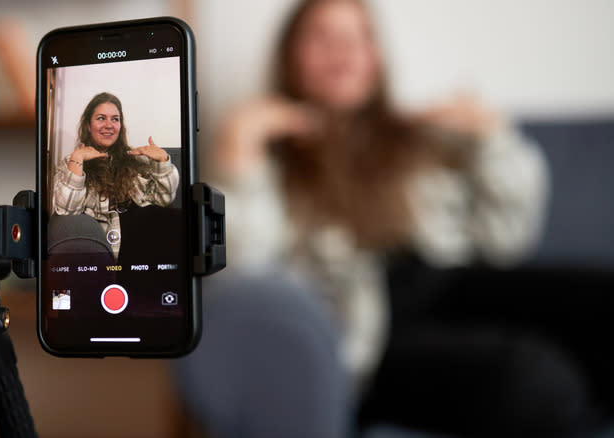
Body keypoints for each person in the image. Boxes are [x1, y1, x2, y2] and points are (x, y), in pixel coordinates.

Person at [176, 0, 606, 437]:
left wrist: (493, 141)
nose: (341, 49)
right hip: (371, 329)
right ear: (290, 56)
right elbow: (243, 272)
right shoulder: (271, 159)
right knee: (531, 379)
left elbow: (504, 245)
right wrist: (240, 154)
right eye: (322, 36)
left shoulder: (421, 142)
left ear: (375, 57)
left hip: (449, 282)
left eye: (357, 36)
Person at [53, 92, 179, 258]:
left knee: (179, 220)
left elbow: (164, 199)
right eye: (101, 118)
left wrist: (162, 162)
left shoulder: (134, 158)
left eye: (115, 119)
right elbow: (66, 212)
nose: (109, 125)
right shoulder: (72, 162)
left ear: (121, 126)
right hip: (103, 238)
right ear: (88, 125)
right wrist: (78, 159)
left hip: (140, 233)